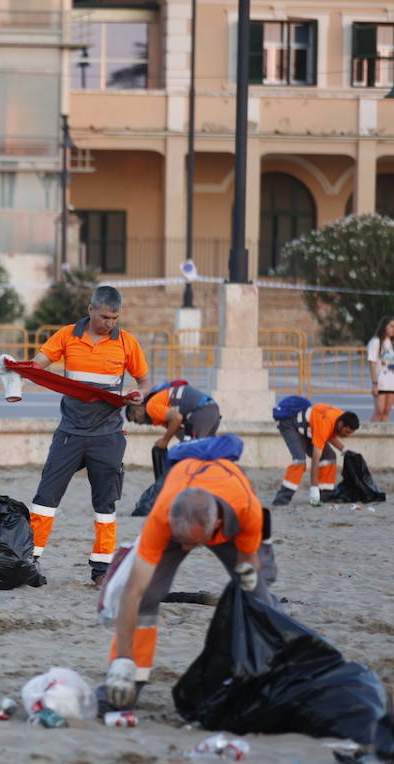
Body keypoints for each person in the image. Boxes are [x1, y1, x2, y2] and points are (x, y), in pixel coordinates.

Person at [102, 456, 275, 710]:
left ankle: (264, 672)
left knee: (258, 594)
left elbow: (247, 559)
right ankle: (130, 678)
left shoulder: (245, 510)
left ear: (215, 525)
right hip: (182, 504)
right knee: (146, 595)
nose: (186, 549)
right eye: (181, 541)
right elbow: (132, 592)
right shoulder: (161, 518)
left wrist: (248, 573)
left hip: (233, 518)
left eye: (191, 544)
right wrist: (122, 660)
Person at [27, 286, 149, 585]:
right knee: (45, 498)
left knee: (105, 505)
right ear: (90, 309)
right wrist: (19, 370)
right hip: (69, 433)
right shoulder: (67, 335)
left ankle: (101, 569)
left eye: (115, 318)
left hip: (108, 435)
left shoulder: (127, 342)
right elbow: (37, 366)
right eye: (105, 316)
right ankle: (29, 558)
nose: (110, 323)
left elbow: (144, 381)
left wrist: (138, 396)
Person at [273, 402, 360, 506]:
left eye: (350, 433)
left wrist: (344, 449)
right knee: (299, 461)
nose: (347, 436)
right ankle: (281, 499)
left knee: (329, 457)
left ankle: (325, 494)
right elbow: (315, 459)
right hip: (290, 425)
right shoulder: (325, 423)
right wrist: (314, 487)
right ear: (341, 424)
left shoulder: (340, 417)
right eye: (346, 432)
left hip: (308, 429)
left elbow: (329, 434)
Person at [125, 382, 221, 448]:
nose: (139, 423)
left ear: (139, 408)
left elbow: (177, 418)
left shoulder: (151, 407)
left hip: (202, 411)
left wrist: (164, 441)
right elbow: (178, 430)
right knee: (204, 451)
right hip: (211, 411)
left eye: (135, 419)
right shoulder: (161, 413)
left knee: (191, 453)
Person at [368, 315, 394, 423]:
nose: (393, 329)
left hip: (391, 382)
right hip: (381, 382)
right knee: (379, 411)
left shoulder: (392, 343)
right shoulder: (376, 342)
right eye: (392, 326)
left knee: (386, 411)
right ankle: (371, 436)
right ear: (384, 326)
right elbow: (372, 364)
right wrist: (375, 383)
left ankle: (383, 438)